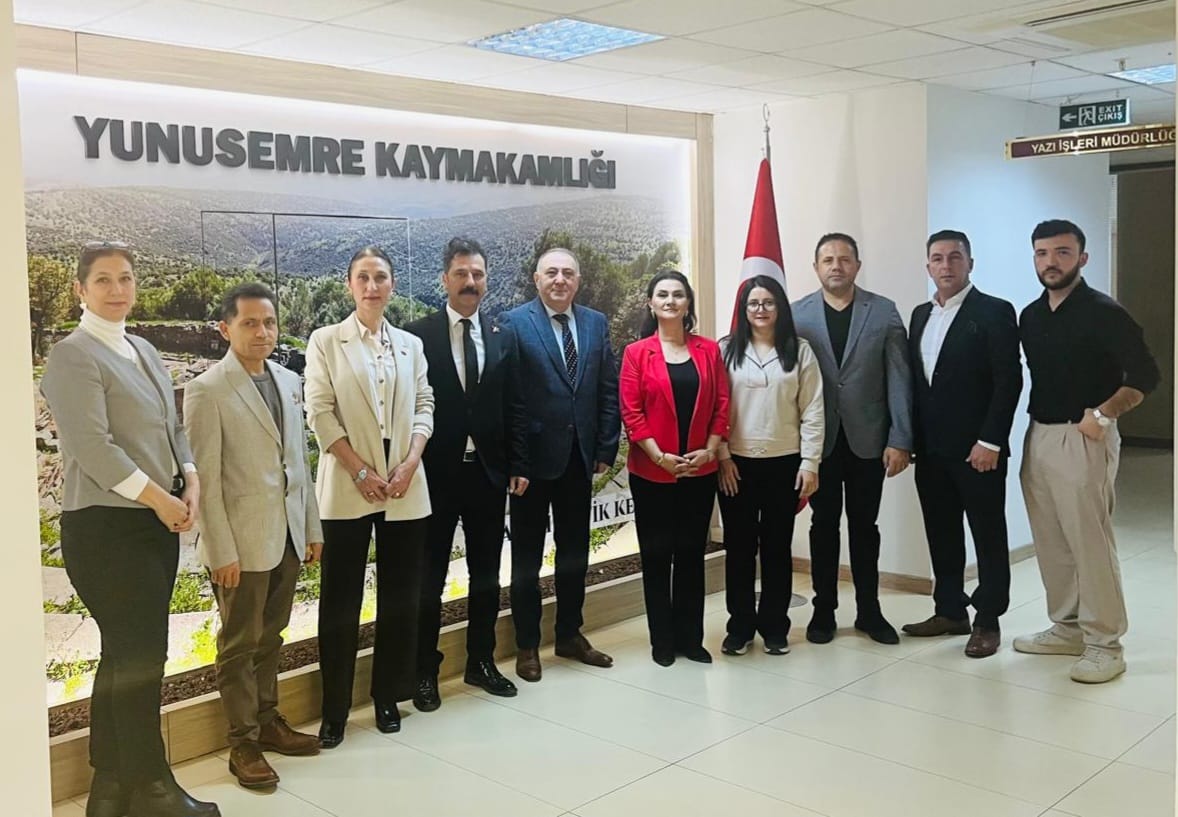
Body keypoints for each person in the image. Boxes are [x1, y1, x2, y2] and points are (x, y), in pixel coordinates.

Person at [41, 242, 219, 817]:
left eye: (125, 278)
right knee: (143, 655)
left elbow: (173, 428)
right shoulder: (72, 356)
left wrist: (190, 480)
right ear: (80, 289)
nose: (116, 289)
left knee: (124, 654)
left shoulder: (142, 349)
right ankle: (153, 787)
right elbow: (94, 448)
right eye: (103, 280)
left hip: (152, 524)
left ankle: (110, 788)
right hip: (105, 529)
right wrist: (161, 500)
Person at [183, 283, 323, 789]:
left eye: (268, 323)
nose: (262, 332)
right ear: (226, 329)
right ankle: (242, 742)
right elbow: (206, 479)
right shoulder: (208, 389)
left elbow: (298, 465)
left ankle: (267, 721)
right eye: (249, 323)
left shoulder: (287, 380)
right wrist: (221, 550)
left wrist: (310, 528)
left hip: (285, 536)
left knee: (272, 635)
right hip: (239, 545)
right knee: (239, 644)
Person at [1015, 219, 1160, 684]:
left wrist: (1103, 415)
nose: (1051, 262)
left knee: (1089, 542)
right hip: (1039, 435)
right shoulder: (1031, 316)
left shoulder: (1104, 312)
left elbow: (1146, 375)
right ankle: (1068, 628)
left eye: (1062, 252)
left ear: (1082, 258)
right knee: (1051, 540)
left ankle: (1105, 644)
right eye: (1042, 253)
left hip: (1084, 436)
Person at [304, 245, 434, 746]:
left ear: (392, 285)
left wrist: (411, 461)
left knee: (400, 597)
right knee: (341, 600)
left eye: (380, 277)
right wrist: (359, 470)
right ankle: (335, 710)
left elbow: (425, 403)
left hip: (403, 482)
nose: (372, 286)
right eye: (363, 277)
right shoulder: (325, 341)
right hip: (347, 482)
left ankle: (387, 696)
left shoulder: (410, 345)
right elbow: (319, 412)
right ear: (349, 285)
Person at [405, 238, 529, 711]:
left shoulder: (502, 335)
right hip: (435, 476)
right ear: (445, 280)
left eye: (477, 274)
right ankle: (424, 672)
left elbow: (515, 405)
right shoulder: (417, 336)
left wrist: (518, 463)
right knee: (429, 578)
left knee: (486, 574)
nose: (470, 282)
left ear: (486, 280)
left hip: (488, 476)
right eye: (461, 274)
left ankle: (481, 662)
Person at [498, 246, 621, 682]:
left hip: (579, 459)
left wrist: (605, 448)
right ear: (537, 279)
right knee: (527, 559)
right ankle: (527, 644)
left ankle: (569, 634)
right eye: (551, 272)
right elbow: (509, 398)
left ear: (578, 281)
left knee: (574, 554)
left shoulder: (595, 323)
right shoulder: (515, 323)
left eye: (568, 273)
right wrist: (515, 461)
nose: (560, 280)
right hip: (530, 467)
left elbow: (607, 388)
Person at [901, 231, 1022, 659]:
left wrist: (991, 440)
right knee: (942, 532)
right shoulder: (919, 315)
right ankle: (950, 610)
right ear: (928, 266)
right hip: (931, 450)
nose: (946, 265)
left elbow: (1009, 381)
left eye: (955, 257)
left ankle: (988, 619)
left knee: (987, 536)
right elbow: (919, 385)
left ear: (971, 263)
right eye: (937, 258)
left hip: (978, 452)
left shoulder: (994, 311)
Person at [791, 232, 913, 646]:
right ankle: (823, 610)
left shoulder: (883, 311)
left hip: (869, 441)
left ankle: (869, 611)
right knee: (823, 526)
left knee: (865, 527)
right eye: (828, 260)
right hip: (819, 443)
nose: (836, 266)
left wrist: (900, 438)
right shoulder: (797, 314)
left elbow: (899, 379)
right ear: (816, 267)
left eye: (844, 259)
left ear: (857, 266)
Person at [619, 270, 729, 666]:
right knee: (656, 557)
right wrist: (660, 457)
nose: (670, 301)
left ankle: (690, 639)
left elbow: (722, 405)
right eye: (662, 294)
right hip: (652, 472)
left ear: (688, 303)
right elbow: (631, 413)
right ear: (650, 303)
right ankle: (662, 642)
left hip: (699, 470)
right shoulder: (637, 353)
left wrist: (710, 451)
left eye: (678, 295)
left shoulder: (709, 350)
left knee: (690, 556)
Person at [717, 275, 823, 657]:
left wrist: (810, 462)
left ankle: (776, 628)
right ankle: (740, 628)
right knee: (739, 549)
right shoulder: (725, 349)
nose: (760, 310)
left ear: (780, 307)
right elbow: (715, 408)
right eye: (753, 303)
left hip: (785, 464)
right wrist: (723, 456)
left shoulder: (800, 351)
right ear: (743, 309)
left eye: (768, 302)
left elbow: (813, 410)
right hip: (736, 465)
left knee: (777, 549)